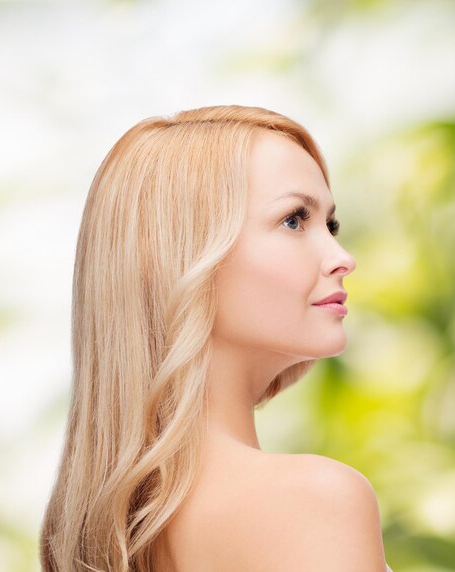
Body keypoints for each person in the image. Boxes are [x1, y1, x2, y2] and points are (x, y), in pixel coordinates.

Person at [39, 105, 393, 571]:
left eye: (329, 224)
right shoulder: (316, 501)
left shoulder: (99, 536)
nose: (341, 257)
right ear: (183, 257)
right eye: (293, 220)